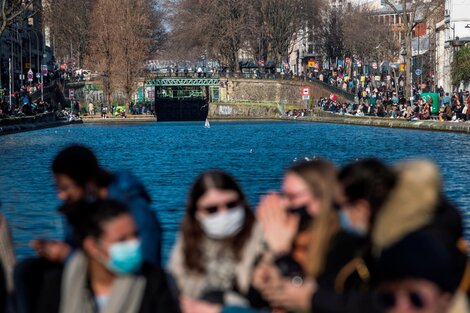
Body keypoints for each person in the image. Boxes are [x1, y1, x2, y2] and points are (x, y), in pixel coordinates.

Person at [36, 199, 179, 313]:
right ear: (92, 246)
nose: (134, 244)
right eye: (122, 240)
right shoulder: (59, 283)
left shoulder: (154, 281)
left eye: (135, 235)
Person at [168, 170, 264, 312]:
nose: (223, 214)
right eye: (212, 209)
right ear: (196, 213)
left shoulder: (264, 240)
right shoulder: (185, 245)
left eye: (231, 205)